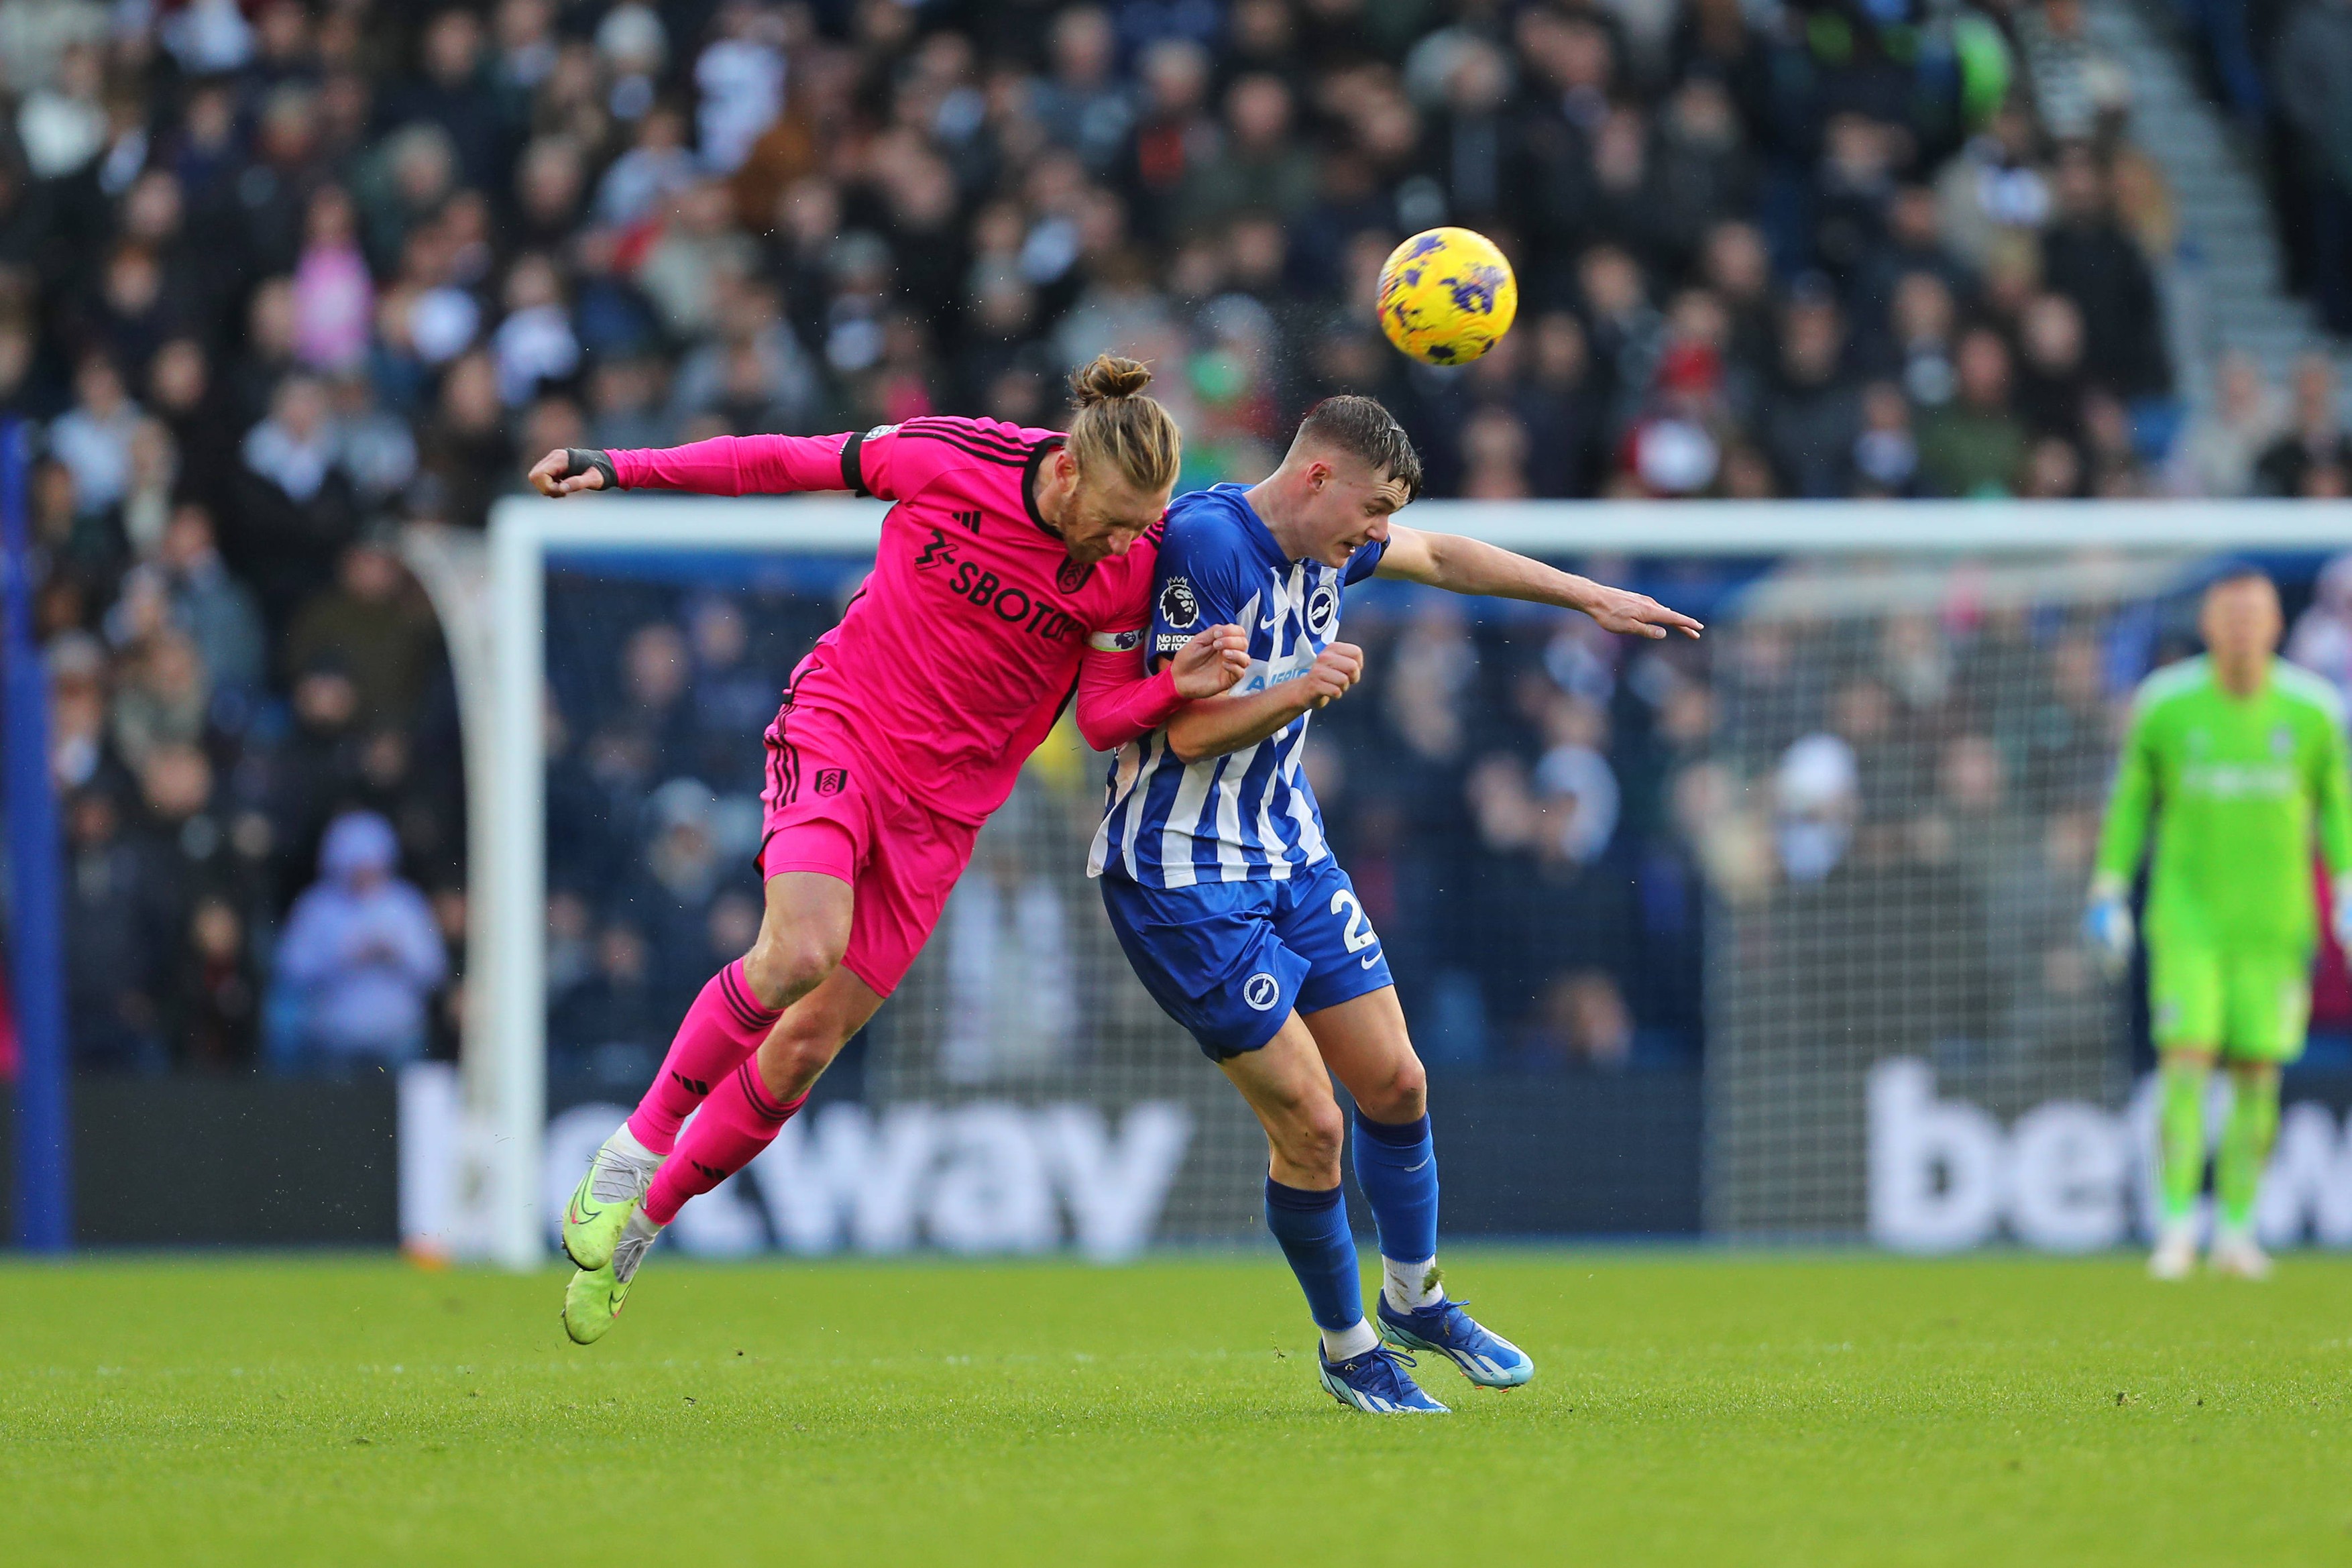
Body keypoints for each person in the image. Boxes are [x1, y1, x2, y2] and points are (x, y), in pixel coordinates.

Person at [527, 355, 1251, 1343]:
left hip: (942, 816)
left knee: (804, 1048)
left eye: (1145, 523)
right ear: (1071, 473)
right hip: (842, 730)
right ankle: (634, 1148)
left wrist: (1182, 683)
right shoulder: (953, 458)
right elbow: (780, 463)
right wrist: (624, 467)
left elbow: (1097, 720)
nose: (1130, 540)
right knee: (798, 950)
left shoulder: (1129, 563)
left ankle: (642, 1228)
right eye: (1119, 517)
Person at [1088, 396, 1700, 1413]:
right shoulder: (1208, 544)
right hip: (1183, 878)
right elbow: (1184, 735)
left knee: (1398, 1083)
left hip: (1288, 850)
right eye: (1370, 510)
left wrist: (1586, 596)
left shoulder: (1336, 542)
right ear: (1315, 478)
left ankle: (1416, 1297)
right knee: (1313, 1125)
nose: (1376, 536)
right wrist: (1302, 688)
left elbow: (1449, 558)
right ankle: (1345, 1346)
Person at [2086, 567, 2352, 1281]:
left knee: (2258, 1076)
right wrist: (2109, 887)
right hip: (2188, 922)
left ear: (2275, 626)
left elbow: (2336, 805)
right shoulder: (2166, 707)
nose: (2240, 628)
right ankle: (2176, 1226)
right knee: (2185, 1063)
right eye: (2228, 616)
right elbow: (2132, 803)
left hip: (2274, 926)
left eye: (2253, 616)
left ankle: (2237, 1229)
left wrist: (2350, 884)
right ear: (2208, 625)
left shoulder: (2314, 709)